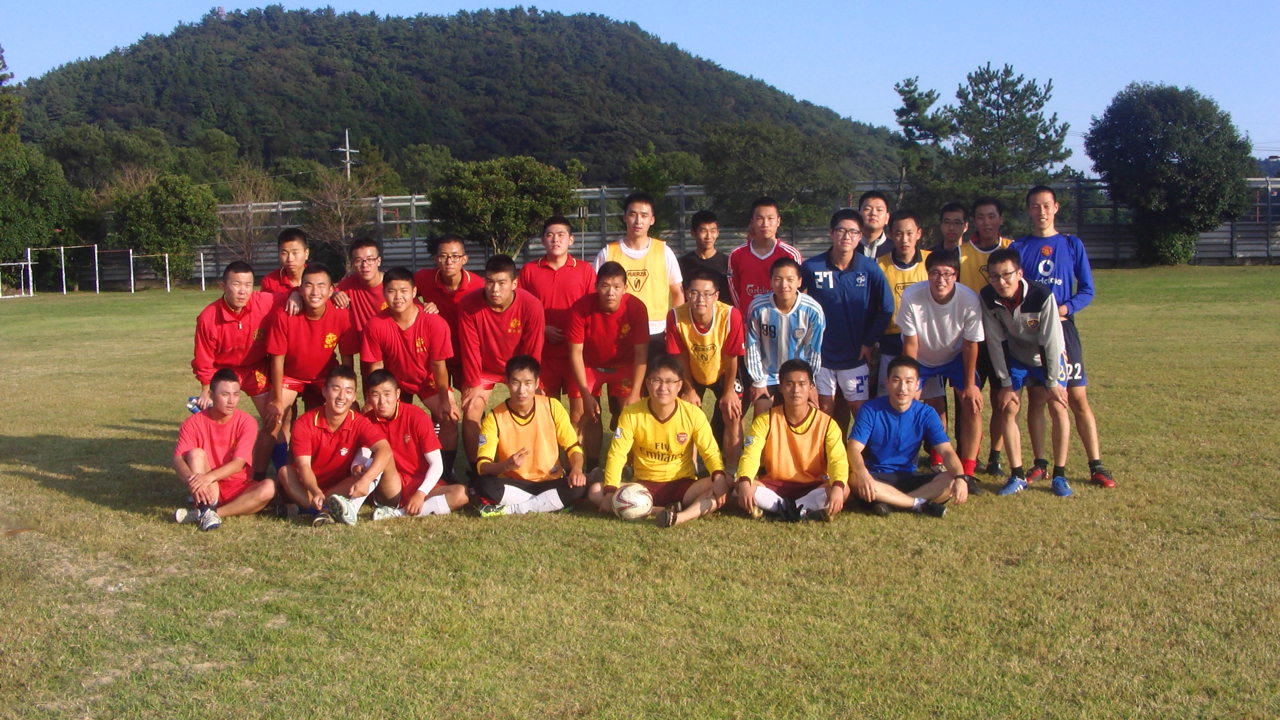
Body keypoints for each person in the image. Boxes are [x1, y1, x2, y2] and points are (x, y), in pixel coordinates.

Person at [1012, 185, 1116, 488]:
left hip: (1063, 328)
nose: (1041, 212)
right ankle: (1040, 464)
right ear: (1028, 210)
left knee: (1076, 397)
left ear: (1056, 207)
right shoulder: (1020, 247)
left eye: (1046, 205)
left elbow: (1087, 290)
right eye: (1035, 206)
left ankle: (1096, 464)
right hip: (1032, 331)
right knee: (1037, 397)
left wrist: (1065, 308)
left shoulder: (1072, 244)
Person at [592, 355, 730, 527]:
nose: (663, 387)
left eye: (670, 381)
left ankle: (680, 517)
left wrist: (718, 476)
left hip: (683, 486)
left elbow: (709, 451)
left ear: (680, 385)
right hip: (643, 486)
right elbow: (617, 454)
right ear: (648, 383)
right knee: (596, 490)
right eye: (657, 380)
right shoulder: (631, 413)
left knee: (723, 482)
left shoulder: (693, 414)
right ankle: (656, 510)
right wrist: (610, 491)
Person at [978, 249, 1073, 497]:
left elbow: (1051, 339)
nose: (1001, 282)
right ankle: (1017, 474)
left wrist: (1053, 381)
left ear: (1019, 273)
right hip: (1017, 356)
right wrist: (1005, 382)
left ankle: (1060, 475)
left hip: (1046, 356)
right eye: (994, 276)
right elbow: (995, 341)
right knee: (1009, 406)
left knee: (1058, 405)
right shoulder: (988, 296)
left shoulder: (1041, 295)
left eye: (1007, 275)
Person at [896, 250, 985, 485]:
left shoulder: (969, 299)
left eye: (947, 274)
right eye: (935, 273)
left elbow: (970, 344)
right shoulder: (912, 295)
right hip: (921, 358)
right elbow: (911, 345)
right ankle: (914, 463)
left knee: (971, 404)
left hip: (955, 355)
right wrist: (911, 382)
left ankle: (968, 469)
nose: (941, 279)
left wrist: (969, 386)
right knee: (909, 405)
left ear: (956, 275)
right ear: (928, 274)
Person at [360, 267, 460, 470]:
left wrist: (444, 399)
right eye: (391, 291)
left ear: (414, 292)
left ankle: (446, 471)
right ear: (384, 293)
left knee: (449, 417)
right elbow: (376, 366)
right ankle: (378, 466)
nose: (398, 297)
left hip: (427, 380)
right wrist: (373, 399)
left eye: (404, 291)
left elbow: (439, 365)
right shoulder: (376, 325)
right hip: (395, 381)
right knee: (375, 417)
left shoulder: (434, 323)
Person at [847, 356, 970, 517]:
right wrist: (862, 473)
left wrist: (961, 477)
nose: (902, 388)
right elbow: (854, 448)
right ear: (888, 382)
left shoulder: (926, 413)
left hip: (908, 477)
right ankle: (917, 504)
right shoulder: (870, 410)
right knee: (854, 479)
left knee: (950, 480)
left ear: (917, 384)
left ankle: (894, 503)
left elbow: (946, 451)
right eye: (897, 380)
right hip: (875, 477)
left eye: (909, 382)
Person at [800, 208, 893, 421]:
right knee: (823, 410)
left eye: (852, 232)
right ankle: (825, 454)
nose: (846, 236)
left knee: (860, 411)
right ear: (831, 233)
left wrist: (869, 342)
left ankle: (863, 454)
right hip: (821, 356)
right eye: (841, 230)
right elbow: (796, 303)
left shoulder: (869, 269)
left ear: (860, 236)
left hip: (856, 355)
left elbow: (886, 308)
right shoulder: (811, 267)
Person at [279, 366, 397, 526]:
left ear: (354, 396)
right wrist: (315, 491)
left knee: (362, 474)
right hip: (308, 487)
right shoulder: (304, 422)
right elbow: (303, 467)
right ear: (324, 391)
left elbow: (384, 449)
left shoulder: (359, 421)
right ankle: (321, 510)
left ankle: (314, 508)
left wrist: (366, 481)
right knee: (285, 473)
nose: (342, 396)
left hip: (340, 487)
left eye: (348, 391)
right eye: (336, 389)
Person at [192, 260, 278, 478]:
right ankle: (214, 473)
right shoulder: (208, 317)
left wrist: (296, 296)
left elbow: (293, 295)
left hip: (256, 369)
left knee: (274, 420)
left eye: (248, 285)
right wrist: (205, 387)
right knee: (218, 425)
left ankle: (263, 473)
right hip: (224, 374)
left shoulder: (264, 302)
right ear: (224, 285)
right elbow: (204, 357)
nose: (243, 291)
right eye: (236, 284)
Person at [457, 254, 545, 464]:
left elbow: (532, 349)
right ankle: (477, 469)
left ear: (514, 283)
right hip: (484, 370)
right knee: (471, 411)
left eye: (502, 283)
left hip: (518, 368)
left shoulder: (531, 306)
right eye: (490, 282)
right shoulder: (468, 305)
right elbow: (470, 349)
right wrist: (473, 384)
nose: (495, 289)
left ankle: (536, 463)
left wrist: (528, 383)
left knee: (537, 406)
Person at [473, 356, 589, 515]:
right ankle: (550, 503)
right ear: (507, 382)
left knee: (579, 486)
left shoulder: (552, 406)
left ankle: (513, 509)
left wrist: (576, 469)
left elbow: (573, 447)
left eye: (527, 383)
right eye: (515, 383)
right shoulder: (494, 417)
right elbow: (482, 466)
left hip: (550, 480)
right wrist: (505, 465)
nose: (521, 390)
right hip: (514, 483)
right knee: (482, 484)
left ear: (536, 383)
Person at [736, 360, 849, 522]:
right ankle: (796, 509)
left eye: (802, 384)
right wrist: (745, 481)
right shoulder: (765, 419)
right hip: (774, 485)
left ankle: (785, 509)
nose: (796, 390)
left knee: (843, 490)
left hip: (813, 486)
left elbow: (838, 460)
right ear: (780, 387)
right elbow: (750, 455)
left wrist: (837, 487)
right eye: (789, 384)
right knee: (742, 486)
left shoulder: (827, 423)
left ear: (811, 387)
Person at [566, 261, 649, 471]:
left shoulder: (636, 308)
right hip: (590, 365)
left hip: (624, 365)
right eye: (605, 286)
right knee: (583, 413)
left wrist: (636, 392)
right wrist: (586, 394)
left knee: (629, 412)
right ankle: (587, 465)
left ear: (625, 288)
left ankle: (631, 464)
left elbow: (641, 353)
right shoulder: (580, 308)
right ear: (596, 286)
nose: (610, 292)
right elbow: (575, 352)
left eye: (616, 286)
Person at [414, 235, 485, 478]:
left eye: (455, 256)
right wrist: (420, 306)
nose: (449, 261)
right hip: (438, 356)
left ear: (464, 259)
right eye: (443, 256)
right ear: (435, 259)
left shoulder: (477, 285)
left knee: (471, 409)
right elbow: (402, 291)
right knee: (445, 412)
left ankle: (478, 468)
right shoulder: (423, 279)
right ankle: (445, 470)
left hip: (468, 355)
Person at [172, 369, 276, 531]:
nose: (231, 401)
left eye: (236, 394)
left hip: (238, 486)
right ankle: (206, 506)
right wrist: (193, 480)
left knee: (269, 487)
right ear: (212, 395)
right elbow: (178, 459)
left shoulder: (247, 422)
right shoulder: (193, 422)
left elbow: (238, 463)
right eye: (225, 394)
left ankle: (210, 513)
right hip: (208, 486)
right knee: (195, 454)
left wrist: (207, 477)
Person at [665, 269, 746, 469]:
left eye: (707, 294)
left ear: (716, 296)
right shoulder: (676, 316)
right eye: (694, 293)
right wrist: (689, 389)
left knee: (732, 411)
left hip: (724, 370)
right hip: (690, 370)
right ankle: (689, 467)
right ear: (686, 293)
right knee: (686, 410)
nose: (701, 299)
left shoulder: (729, 315)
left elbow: (732, 357)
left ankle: (732, 468)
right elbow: (680, 356)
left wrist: (728, 392)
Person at [362, 370, 468, 519]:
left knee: (461, 494)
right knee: (384, 454)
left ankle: (398, 514)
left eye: (387, 394)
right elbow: (363, 454)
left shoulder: (417, 416)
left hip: (419, 482)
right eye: (375, 395)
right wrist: (358, 466)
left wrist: (421, 493)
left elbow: (437, 464)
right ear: (368, 397)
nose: (382, 401)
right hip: (391, 485)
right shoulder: (365, 421)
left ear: (397, 394)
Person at [264, 264, 355, 432]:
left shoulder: (341, 314)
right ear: (299, 289)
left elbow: (346, 357)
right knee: (274, 419)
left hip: (323, 376)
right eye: (308, 285)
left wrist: (348, 389)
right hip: (290, 375)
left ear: (330, 291)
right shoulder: (285, 314)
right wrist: (276, 399)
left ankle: (331, 457)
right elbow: (277, 359)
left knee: (340, 417)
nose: (315, 292)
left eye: (321, 286)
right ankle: (272, 459)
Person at [593, 192, 684, 358]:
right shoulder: (607, 253)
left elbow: (678, 293)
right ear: (625, 217)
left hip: (657, 332)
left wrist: (672, 327)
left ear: (652, 220)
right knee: (624, 383)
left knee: (655, 382)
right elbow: (594, 293)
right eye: (633, 214)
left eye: (644, 215)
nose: (638, 221)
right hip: (618, 331)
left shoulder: (663, 251)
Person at [962, 196, 1015, 476]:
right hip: (972, 339)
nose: (986, 222)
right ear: (974, 221)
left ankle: (995, 455)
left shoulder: (1011, 249)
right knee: (970, 401)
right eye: (981, 217)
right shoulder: (962, 253)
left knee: (1001, 400)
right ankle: (968, 460)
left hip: (1004, 339)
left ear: (1000, 219)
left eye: (992, 216)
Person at [519, 216, 597, 402]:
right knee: (548, 409)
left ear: (571, 239)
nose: (555, 239)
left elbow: (593, 309)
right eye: (550, 235)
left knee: (579, 412)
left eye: (561, 235)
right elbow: (519, 309)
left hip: (577, 353)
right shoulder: (529, 270)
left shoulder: (585, 270)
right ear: (542, 240)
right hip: (543, 353)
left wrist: (576, 332)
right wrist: (542, 330)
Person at [745, 257, 825, 417]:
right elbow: (752, 348)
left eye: (790, 279)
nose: (784, 285)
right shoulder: (757, 308)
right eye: (778, 279)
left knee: (809, 414)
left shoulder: (813, 310)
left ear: (799, 282)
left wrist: (809, 383)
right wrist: (758, 382)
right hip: (768, 375)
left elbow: (813, 351)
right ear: (770, 281)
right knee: (762, 415)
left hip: (798, 374)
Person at [727, 196, 802, 313]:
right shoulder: (737, 255)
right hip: (749, 323)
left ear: (778, 221)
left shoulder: (790, 254)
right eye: (760, 218)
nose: (765, 224)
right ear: (752, 222)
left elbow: (798, 290)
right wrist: (744, 317)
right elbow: (735, 291)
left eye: (770, 218)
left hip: (782, 320)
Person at [333, 237, 388, 377]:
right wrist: (333, 294)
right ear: (353, 264)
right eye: (359, 261)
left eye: (370, 259)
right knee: (372, 395)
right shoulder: (348, 284)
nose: (365, 265)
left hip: (395, 349)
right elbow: (325, 291)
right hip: (368, 352)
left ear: (378, 261)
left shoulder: (392, 284)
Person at [677, 209, 731, 300]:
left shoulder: (728, 263)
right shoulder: (681, 264)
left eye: (713, 231)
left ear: (718, 233)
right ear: (693, 233)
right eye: (703, 231)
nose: (708, 236)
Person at [260, 228, 310, 298]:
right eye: (284, 253)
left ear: (306, 253)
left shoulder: (317, 278)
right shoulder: (269, 282)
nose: (290, 259)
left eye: (295, 252)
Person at [857, 191, 893, 258]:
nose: (873, 213)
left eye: (879, 210)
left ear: (887, 217)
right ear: (858, 215)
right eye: (867, 209)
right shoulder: (849, 249)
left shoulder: (895, 251)